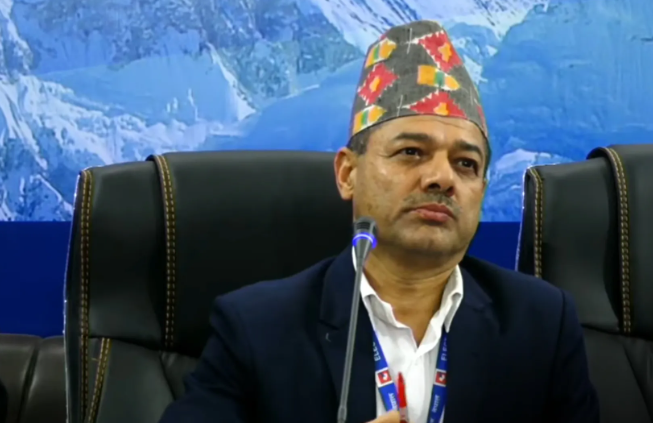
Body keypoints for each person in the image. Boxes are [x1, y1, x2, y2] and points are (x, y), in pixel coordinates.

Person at [159, 20, 599, 423]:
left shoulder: (540, 324)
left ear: (482, 191)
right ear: (347, 174)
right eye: (411, 152)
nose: (442, 178)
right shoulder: (259, 327)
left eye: (466, 163)